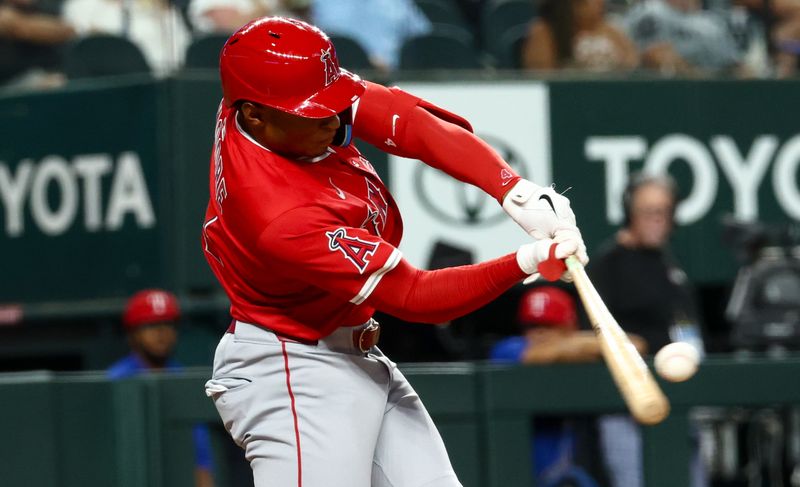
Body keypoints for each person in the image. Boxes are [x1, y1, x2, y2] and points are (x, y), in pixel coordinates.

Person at [200, 16, 588, 487]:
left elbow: (409, 122)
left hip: (347, 348)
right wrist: (526, 261)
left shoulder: (257, 97)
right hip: (292, 371)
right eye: (314, 111)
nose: (333, 118)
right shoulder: (277, 214)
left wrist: (513, 190)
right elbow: (414, 295)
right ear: (254, 115)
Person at [588, 172, 706, 487]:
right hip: (627, 402)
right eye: (648, 211)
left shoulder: (668, 262)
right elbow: (590, 332)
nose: (657, 220)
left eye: (664, 212)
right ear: (630, 212)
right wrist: (628, 344)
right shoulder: (608, 264)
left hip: (679, 398)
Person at [490, 286, 646, 487]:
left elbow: (635, 346)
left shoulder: (581, 353)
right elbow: (540, 355)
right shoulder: (508, 348)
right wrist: (583, 346)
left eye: (549, 326)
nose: (538, 333)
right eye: (532, 326)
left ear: (570, 326)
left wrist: (577, 347)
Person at [109, 289, 215, 487]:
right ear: (133, 333)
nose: (161, 333)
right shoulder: (116, 379)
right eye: (151, 325)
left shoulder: (182, 378)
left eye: (168, 324)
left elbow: (200, 454)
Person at [62, 0, 191, 76]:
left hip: (165, 83)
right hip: (111, 85)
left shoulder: (156, 7)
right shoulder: (82, 6)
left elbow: (181, 51)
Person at [623, 0, 747, 77]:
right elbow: (652, 57)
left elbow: (736, 65)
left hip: (711, 91)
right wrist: (691, 72)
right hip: (665, 89)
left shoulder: (713, 23)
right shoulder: (651, 11)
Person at [311, 0, 431, 72]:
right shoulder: (319, 3)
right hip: (337, 82)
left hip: (396, 81)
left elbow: (424, 41)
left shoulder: (399, 3)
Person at [521, 0, 639, 72]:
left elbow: (631, 67)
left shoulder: (612, 31)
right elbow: (541, 75)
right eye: (580, 3)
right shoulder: (544, 32)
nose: (598, 3)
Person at [0, 0, 75, 89]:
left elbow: (68, 30)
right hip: (8, 80)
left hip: (46, 73)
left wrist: (18, 25)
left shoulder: (52, 5)